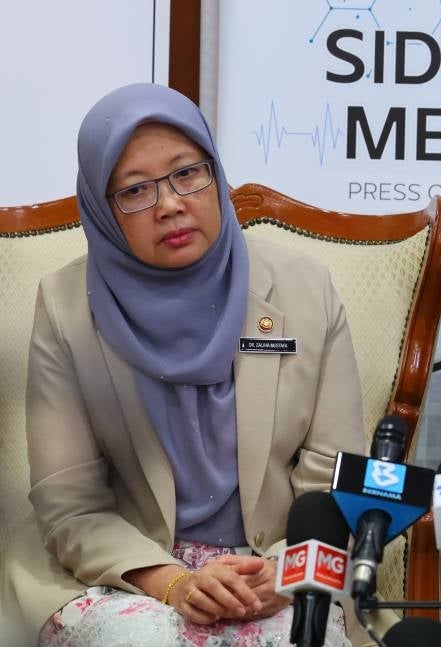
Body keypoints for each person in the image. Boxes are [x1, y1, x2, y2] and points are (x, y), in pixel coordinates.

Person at [2, 84, 365, 646]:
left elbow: (338, 478)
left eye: (186, 173)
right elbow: (69, 507)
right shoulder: (66, 307)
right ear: (101, 209)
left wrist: (284, 574)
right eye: (135, 190)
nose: (170, 203)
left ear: (215, 175)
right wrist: (172, 581)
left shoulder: (304, 289)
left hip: (273, 565)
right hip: (126, 572)